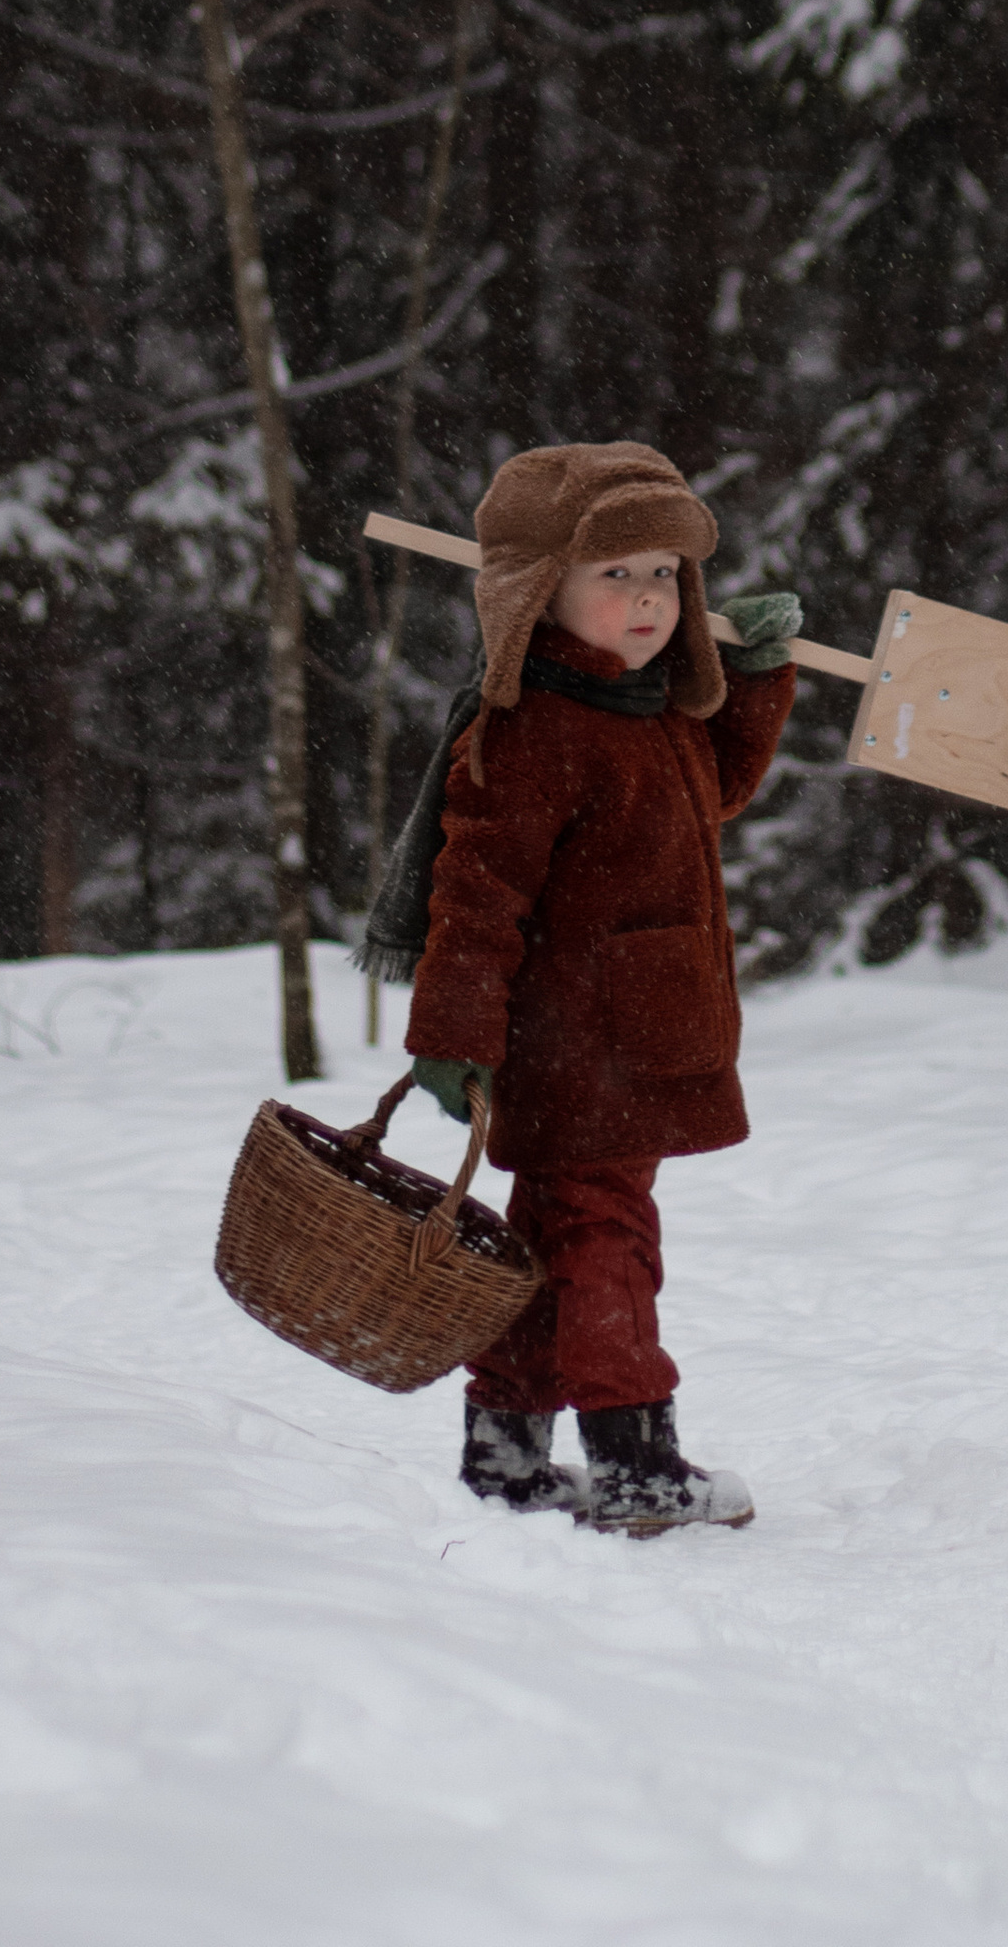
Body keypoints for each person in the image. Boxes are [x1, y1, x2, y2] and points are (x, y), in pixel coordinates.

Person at [356, 440, 799, 1535]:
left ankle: (505, 1455)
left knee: (549, 1241)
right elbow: (475, 895)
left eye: (664, 575)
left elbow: (717, 792)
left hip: (639, 1031)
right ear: (535, 593)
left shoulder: (645, 712)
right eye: (617, 577)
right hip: (578, 1038)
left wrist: (755, 682)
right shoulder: (535, 731)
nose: (649, 599)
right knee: (608, 1239)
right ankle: (636, 1460)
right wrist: (451, 1034)